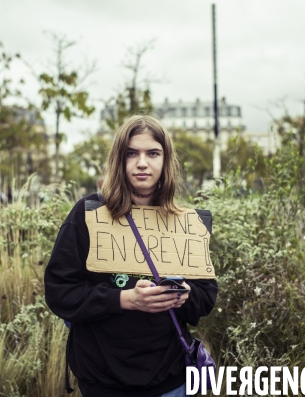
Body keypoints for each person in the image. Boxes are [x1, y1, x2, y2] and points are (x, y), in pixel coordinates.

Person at [44, 115, 217, 397]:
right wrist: (125, 300)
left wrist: (184, 295)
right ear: (118, 159)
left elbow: (206, 296)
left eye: (152, 153)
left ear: (166, 160)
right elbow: (59, 292)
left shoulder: (185, 223)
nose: (142, 163)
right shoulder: (87, 214)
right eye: (131, 153)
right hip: (102, 379)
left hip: (169, 379)